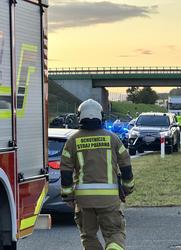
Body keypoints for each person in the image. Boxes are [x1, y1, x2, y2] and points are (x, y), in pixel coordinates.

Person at [60, 99, 134, 250]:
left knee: (88, 235)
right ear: (101, 116)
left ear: (79, 116)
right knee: (114, 232)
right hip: (109, 199)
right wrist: (127, 188)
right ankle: (113, 246)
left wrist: (68, 196)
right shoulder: (112, 138)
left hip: (84, 201)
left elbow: (66, 172)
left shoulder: (72, 141)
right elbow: (126, 165)